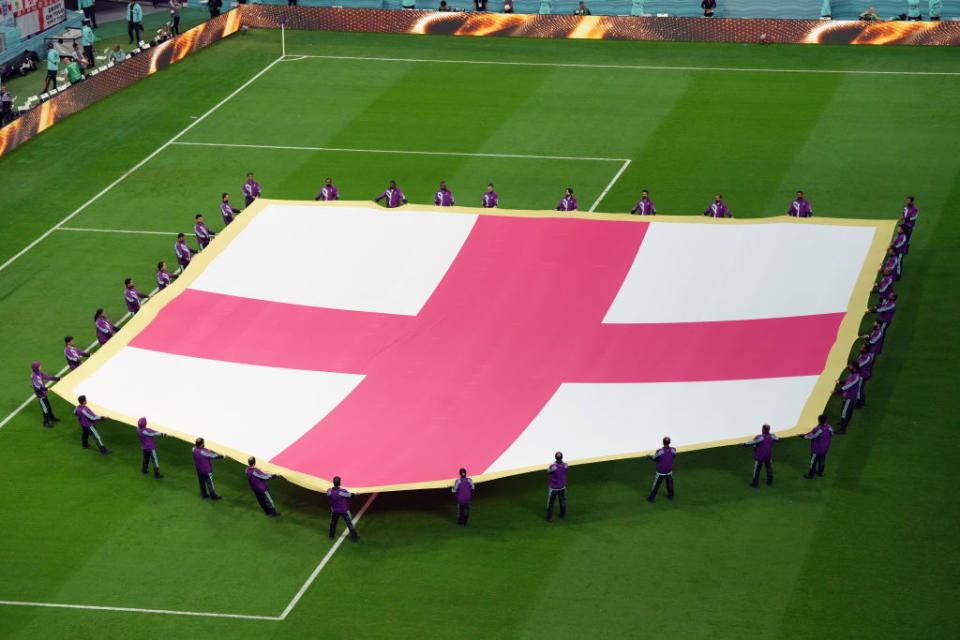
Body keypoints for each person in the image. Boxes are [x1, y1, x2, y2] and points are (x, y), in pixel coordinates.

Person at [833, 363, 862, 434]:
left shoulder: (856, 377)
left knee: (844, 412)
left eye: (850, 366)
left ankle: (842, 430)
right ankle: (844, 423)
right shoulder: (853, 375)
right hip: (848, 396)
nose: (849, 367)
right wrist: (839, 382)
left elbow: (848, 386)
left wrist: (837, 391)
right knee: (845, 410)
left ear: (854, 368)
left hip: (849, 397)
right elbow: (848, 381)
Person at [327, 476, 359, 540]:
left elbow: (328, 494)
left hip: (335, 511)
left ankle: (331, 536)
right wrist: (356, 494)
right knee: (349, 524)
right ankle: (354, 537)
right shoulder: (342, 491)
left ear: (333, 483)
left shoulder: (329, 491)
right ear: (340, 483)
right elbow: (349, 495)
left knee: (333, 524)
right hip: (344, 511)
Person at [31, 361, 61, 428]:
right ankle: (46, 423)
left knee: (48, 407)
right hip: (40, 396)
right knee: (45, 409)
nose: (41, 366)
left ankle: (52, 418)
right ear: (36, 367)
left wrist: (58, 379)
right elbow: (37, 386)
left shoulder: (39, 373)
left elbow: (48, 377)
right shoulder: (34, 376)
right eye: (39, 366)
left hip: (44, 394)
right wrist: (46, 389)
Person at [647, 437, 676, 502]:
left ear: (663, 442)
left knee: (656, 486)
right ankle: (671, 496)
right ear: (670, 442)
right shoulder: (674, 450)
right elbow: (673, 456)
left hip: (661, 472)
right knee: (670, 484)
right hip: (669, 471)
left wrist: (649, 456)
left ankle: (651, 498)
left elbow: (654, 458)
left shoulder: (660, 451)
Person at [545, 451, 568, 521]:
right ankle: (562, 515)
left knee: (550, 503)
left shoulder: (553, 466)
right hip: (562, 487)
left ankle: (549, 518)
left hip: (554, 488)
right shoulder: (566, 465)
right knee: (562, 502)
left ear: (555, 457)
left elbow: (548, 471)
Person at [853, 343, 874, 407]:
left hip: (863, 375)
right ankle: (862, 401)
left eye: (862, 347)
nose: (861, 348)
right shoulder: (865, 355)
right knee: (861, 388)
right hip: (863, 374)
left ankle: (860, 403)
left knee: (859, 389)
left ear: (865, 350)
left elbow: (859, 365)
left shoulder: (867, 357)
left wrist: (852, 366)